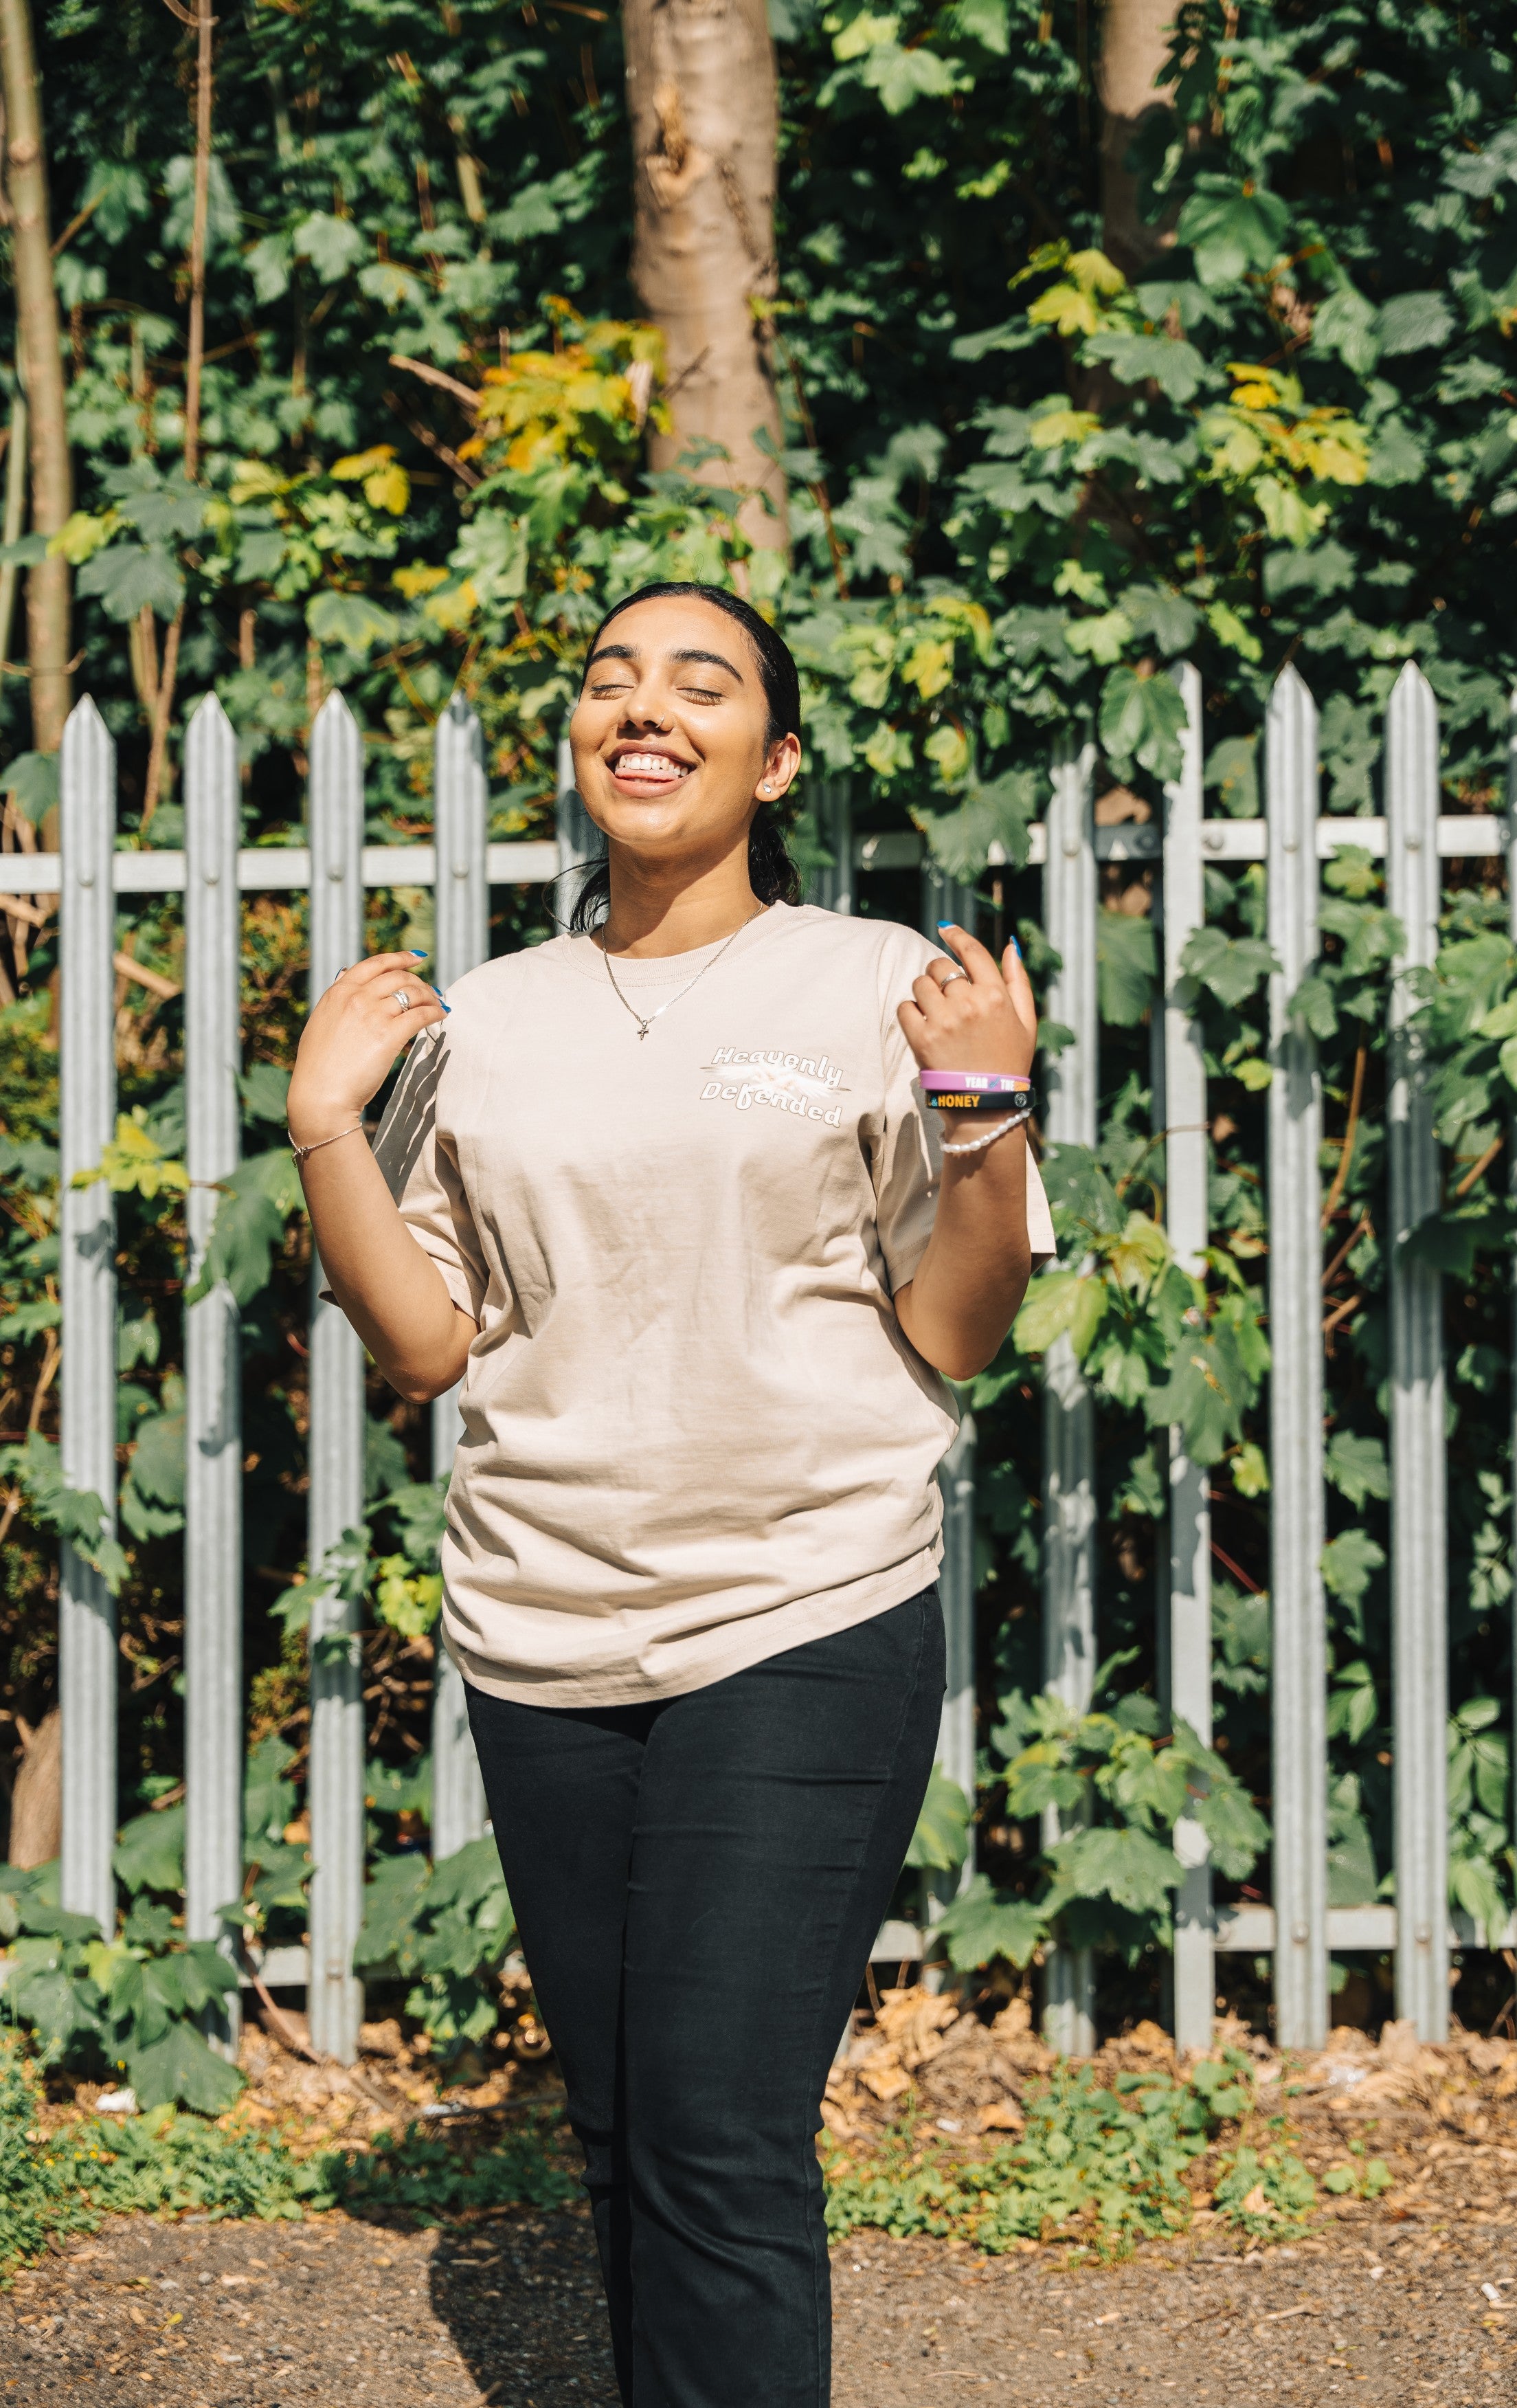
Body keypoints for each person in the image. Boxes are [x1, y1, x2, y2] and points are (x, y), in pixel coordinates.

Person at [287, 581, 1053, 2408]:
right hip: (540, 1632)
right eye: (614, 680)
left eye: (701, 683)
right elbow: (424, 1340)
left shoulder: (878, 984)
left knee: (717, 2132)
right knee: (634, 2134)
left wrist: (986, 1117)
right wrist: (324, 1124)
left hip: (802, 1608)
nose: (648, 707)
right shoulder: (484, 1015)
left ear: (774, 757)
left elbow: (955, 1329)